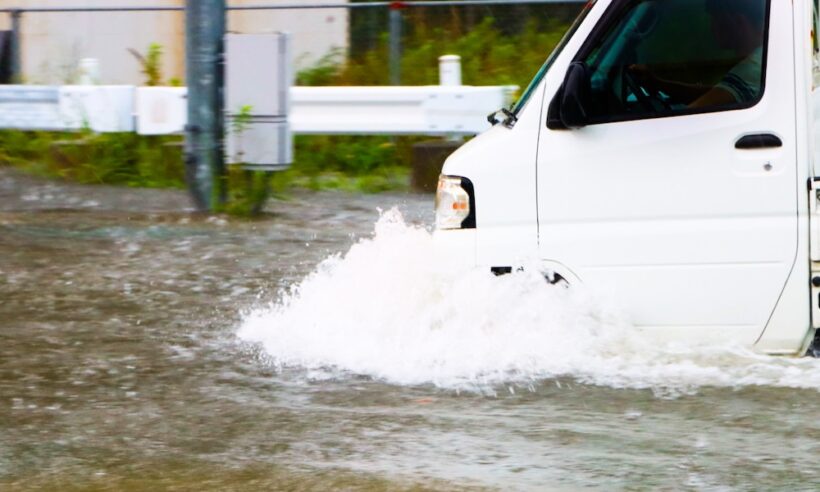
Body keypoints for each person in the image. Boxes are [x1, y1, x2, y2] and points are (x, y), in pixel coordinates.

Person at [629, 0, 766, 108]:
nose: (711, 27)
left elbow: (686, 119)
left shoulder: (749, 72)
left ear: (738, 22)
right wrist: (658, 83)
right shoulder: (760, 61)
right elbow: (711, 93)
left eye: (715, 18)